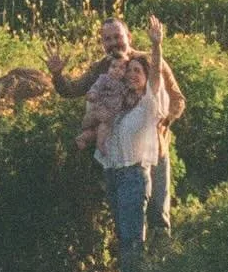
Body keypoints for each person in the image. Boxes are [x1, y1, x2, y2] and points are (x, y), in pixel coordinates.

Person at [47, 15, 186, 244]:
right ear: (102, 43)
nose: (113, 43)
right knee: (128, 219)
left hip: (154, 150)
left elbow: (177, 99)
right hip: (120, 156)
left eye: (117, 37)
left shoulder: (149, 61)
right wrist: (57, 75)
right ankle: (136, 271)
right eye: (107, 39)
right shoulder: (102, 68)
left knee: (158, 214)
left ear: (128, 36)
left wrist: (163, 121)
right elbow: (72, 90)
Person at [87, 16, 168, 272]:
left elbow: (156, 73)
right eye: (128, 70)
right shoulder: (121, 100)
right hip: (112, 173)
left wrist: (156, 45)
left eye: (138, 71)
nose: (132, 74)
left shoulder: (148, 101)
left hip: (134, 173)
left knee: (134, 235)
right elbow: (91, 113)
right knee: (123, 233)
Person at [74, 57, 129, 151]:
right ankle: (100, 145)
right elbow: (96, 87)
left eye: (121, 68)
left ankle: (83, 138)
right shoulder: (104, 78)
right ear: (108, 69)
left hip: (111, 113)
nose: (116, 70)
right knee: (104, 125)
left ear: (125, 72)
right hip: (101, 107)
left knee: (100, 130)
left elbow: (126, 96)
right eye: (113, 66)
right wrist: (93, 94)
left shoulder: (123, 85)